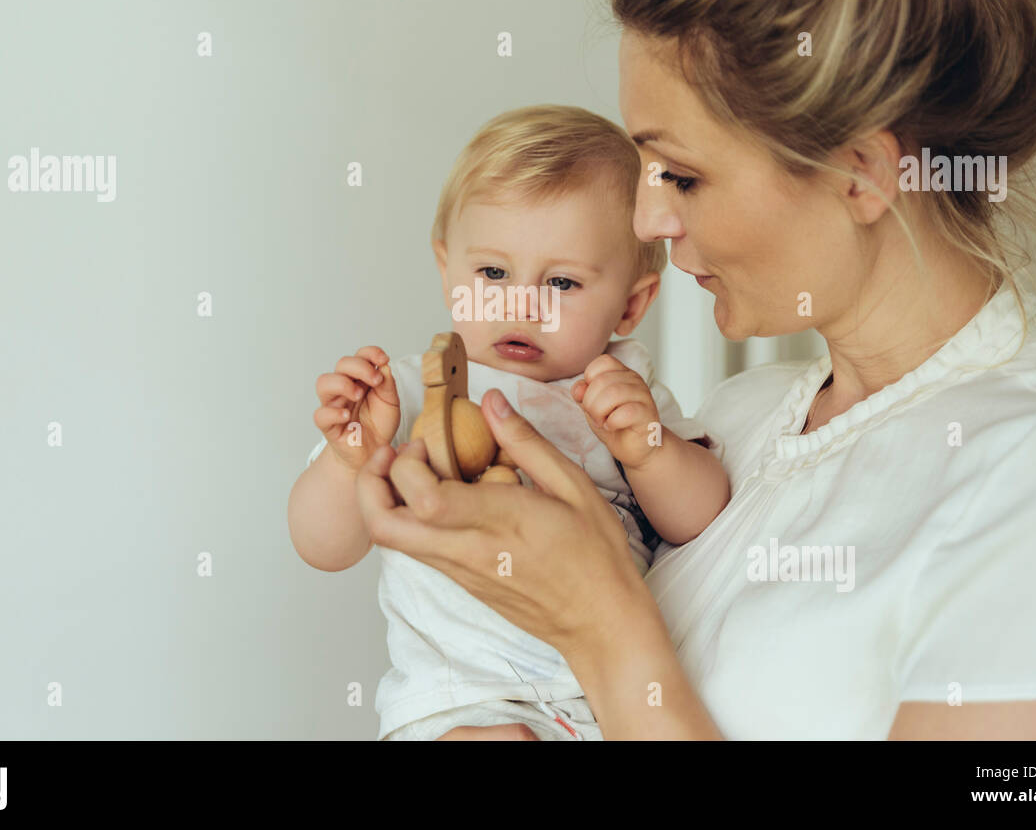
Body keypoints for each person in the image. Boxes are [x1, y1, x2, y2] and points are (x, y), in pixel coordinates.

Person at [349, 0, 1036, 739]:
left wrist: (602, 624)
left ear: (862, 175)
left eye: (682, 175)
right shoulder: (730, 425)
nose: (648, 219)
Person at [287, 105, 731, 740]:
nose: (520, 303)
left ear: (631, 305)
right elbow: (322, 548)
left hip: (606, 697)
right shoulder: (409, 394)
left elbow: (700, 520)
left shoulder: (621, 393)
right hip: (461, 701)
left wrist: (650, 452)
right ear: (448, 273)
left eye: (562, 283)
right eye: (493, 273)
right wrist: (351, 458)